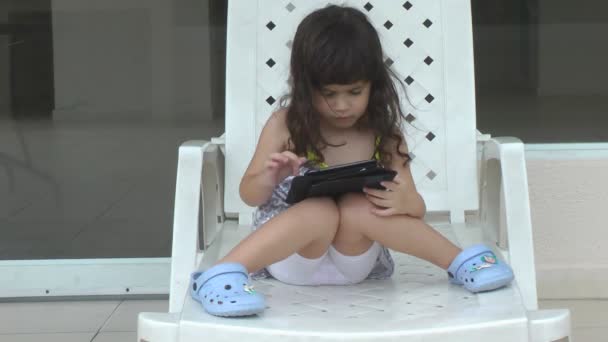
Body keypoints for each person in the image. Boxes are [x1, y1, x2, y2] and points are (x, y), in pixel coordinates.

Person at [189, 4, 514, 317]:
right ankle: (220, 275)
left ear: (374, 85)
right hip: (294, 257)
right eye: (329, 94)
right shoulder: (285, 125)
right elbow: (249, 195)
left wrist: (404, 200)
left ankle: (461, 263)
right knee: (320, 210)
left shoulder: (383, 134)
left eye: (355, 92)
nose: (342, 105)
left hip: (354, 261)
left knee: (357, 207)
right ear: (305, 87)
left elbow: (416, 210)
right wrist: (270, 178)